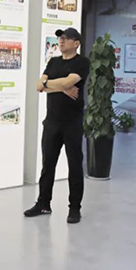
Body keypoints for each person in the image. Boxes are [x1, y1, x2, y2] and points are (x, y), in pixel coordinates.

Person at [24, 27, 90, 224]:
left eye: (66, 38)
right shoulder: (53, 62)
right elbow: (38, 86)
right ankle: (43, 204)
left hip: (72, 123)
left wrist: (51, 85)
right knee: (48, 165)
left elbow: (66, 82)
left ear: (76, 43)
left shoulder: (82, 62)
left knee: (74, 166)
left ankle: (74, 208)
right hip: (51, 122)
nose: (61, 41)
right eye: (60, 38)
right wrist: (61, 87)